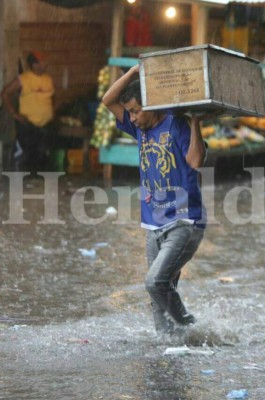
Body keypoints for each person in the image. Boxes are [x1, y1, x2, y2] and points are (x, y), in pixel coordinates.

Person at [102, 64, 207, 336]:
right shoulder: (139, 129)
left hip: (184, 221)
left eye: (136, 111)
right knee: (158, 294)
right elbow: (107, 100)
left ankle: (190, 326)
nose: (133, 118)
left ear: (152, 105)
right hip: (153, 222)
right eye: (131, 113)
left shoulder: (177, 124)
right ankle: (167, 345)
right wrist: (135, 72)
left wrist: (195, 123)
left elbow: (196, 161)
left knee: (155, 282)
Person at [1, 50, 55, 172]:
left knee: (42, 156)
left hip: (45, 126)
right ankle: (21, 184)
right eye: (43, 62)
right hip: (28, 125)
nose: (46, 64)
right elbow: (5, 93)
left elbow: (52, 98)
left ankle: (37, 183)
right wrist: (14, 114)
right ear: (35, 65)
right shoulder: (23, 79)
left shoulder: (48, 79)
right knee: (26, 156)